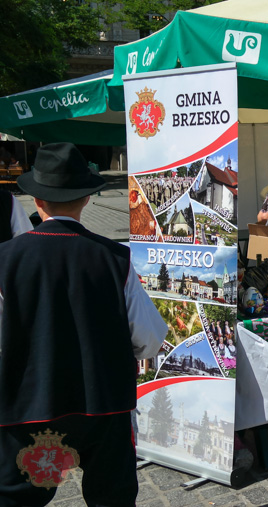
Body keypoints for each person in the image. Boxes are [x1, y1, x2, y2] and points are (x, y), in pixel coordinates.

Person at [0, 143, 166, 505]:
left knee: (20, 500)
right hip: (103, 406)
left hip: (30, 408)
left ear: (36, 200)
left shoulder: (5, 259)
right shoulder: (115, 258)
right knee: (111, 498)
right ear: (87, 198)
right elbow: (150, 338)